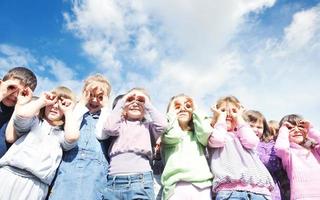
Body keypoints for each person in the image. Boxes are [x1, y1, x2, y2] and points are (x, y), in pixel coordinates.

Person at [0, 86, 79, 200]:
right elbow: (21, 115)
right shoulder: (34, 122)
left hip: (36, 185)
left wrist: (68, 111)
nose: (55, 107)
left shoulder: (62, 135)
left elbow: (72, 137)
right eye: (53, 102)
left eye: (62, 104)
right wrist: (42, 100)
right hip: (8, 174)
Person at [49, 74, 111, 200]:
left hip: (95, 171)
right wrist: (82, 103)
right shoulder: (75, 111)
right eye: (90, 95)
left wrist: (106, 108)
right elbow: (72, 127)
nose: (94, 100)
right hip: (69, 166)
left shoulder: (107, 116)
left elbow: (101, 134)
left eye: (100, 97)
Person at [100, 88, 167, 200]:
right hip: (114, 182)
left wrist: (147, 103)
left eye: (140, 101)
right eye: (131, 100)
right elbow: (108, 128)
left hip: (141, 180)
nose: (135, 103)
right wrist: (123, 101)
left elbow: (163, 125)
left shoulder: (148, 127)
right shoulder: (118, 125)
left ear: (146, 109)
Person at [207, 96, 274, 200]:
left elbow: (251, 142)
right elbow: (218, 140)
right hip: (230, 191)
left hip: (261, 192)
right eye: (223, 110)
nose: (229, 114)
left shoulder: (242, 133)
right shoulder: (214, 132)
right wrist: (220, 118)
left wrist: (239, 118)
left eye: (234, 111)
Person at [161, 94, 213, 200]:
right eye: (177, 106)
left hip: (202, 186)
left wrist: (195, 109)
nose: (182, 108)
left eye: (187, 106)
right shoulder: (166, 134)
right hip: (175, 187)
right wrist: (171, 114)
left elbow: (205, 132)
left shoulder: (197, 135)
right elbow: (174, 135)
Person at [244, 110, 290, 200]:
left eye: (259, 127)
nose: (255, 129)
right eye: (251, 126)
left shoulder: (269, 146)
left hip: (271, 191)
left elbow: (272, 164)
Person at [275, 114, 320, 199]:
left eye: (300, 127)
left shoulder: (315, 150)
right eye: (290, 128)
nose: (296, 130)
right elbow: (281, 148)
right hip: (301, 197)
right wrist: (283, 129)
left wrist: (311, 130)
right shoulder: (288, 153)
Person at [0, 66, 37, 157]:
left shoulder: (21, 115)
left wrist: (20, 105)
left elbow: (10, 138)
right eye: (11, 87)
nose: (15, 95)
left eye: (22, 93)